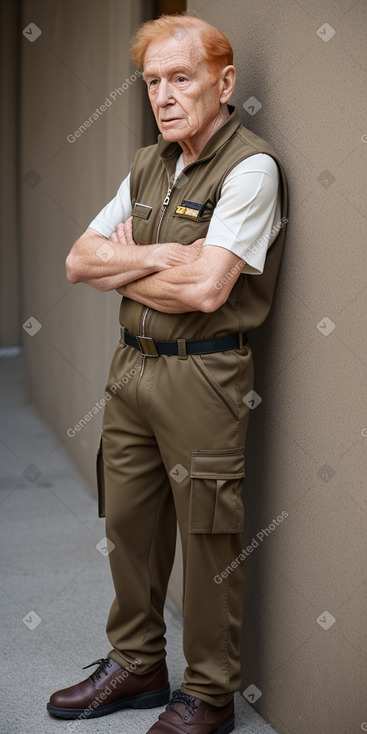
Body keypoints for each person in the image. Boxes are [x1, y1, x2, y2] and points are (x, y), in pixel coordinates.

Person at [47, 10, 287, 734]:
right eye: (152, 81)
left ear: (224, 81)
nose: (163, 95)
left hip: (203, 379)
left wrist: (120, 265)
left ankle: (208, 694)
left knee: (210, 539)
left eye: (180, 78)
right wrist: (152, 260)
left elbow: (208, 290)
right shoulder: (149, 163)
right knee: (128, 525)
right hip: (132, 374)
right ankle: (137, 664)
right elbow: (76, 260)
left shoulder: (250, 169)